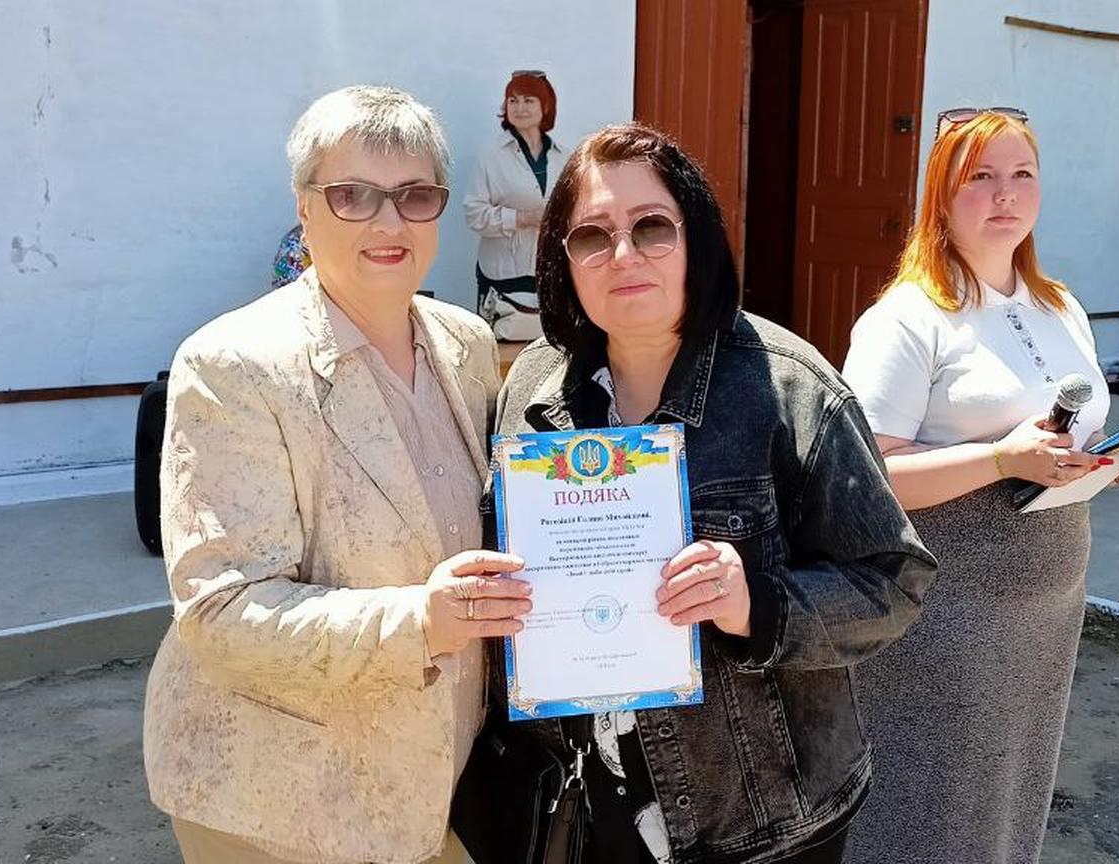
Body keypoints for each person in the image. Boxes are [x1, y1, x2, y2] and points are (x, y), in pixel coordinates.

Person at [489, 123, 937, 863]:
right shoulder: (533, 386)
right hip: (589, 800)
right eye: (592, 236)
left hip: (761, 820)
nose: (623, 255)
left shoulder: (790, 388)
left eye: (651, 227)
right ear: (561, 260)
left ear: (695, 238)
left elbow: (894, 581)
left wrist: (753, 604)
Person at [142, 85, 530, 864]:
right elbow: (222, 614)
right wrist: (421, 620)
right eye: (353, 195)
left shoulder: (465, 343)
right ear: (304, 206)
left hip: (444, 784)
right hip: (281, 800)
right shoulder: (232, 366)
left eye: (415, 195)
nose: (389, 223)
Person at [839, 108, 1119, 864]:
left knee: (1009, 802)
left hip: (1048, 600)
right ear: (941, 195)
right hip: (947, 609)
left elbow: (1060, 442)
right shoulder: (907, 319)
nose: (1005, 194)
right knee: (933, 811)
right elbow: (865, 479)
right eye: (980, 176)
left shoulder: (1059, 304)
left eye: (1022, 174)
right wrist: (996, 459)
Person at [465, 70, 563, 342]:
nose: (520, 108)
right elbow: (474, 214)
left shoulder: (564, 157)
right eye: (513, 100)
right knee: (497, 348)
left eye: (529, 100)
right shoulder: (490, 155)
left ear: (546, 106)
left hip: (547, 272)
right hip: (501, 274)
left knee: (546, 349)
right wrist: (522, 218)